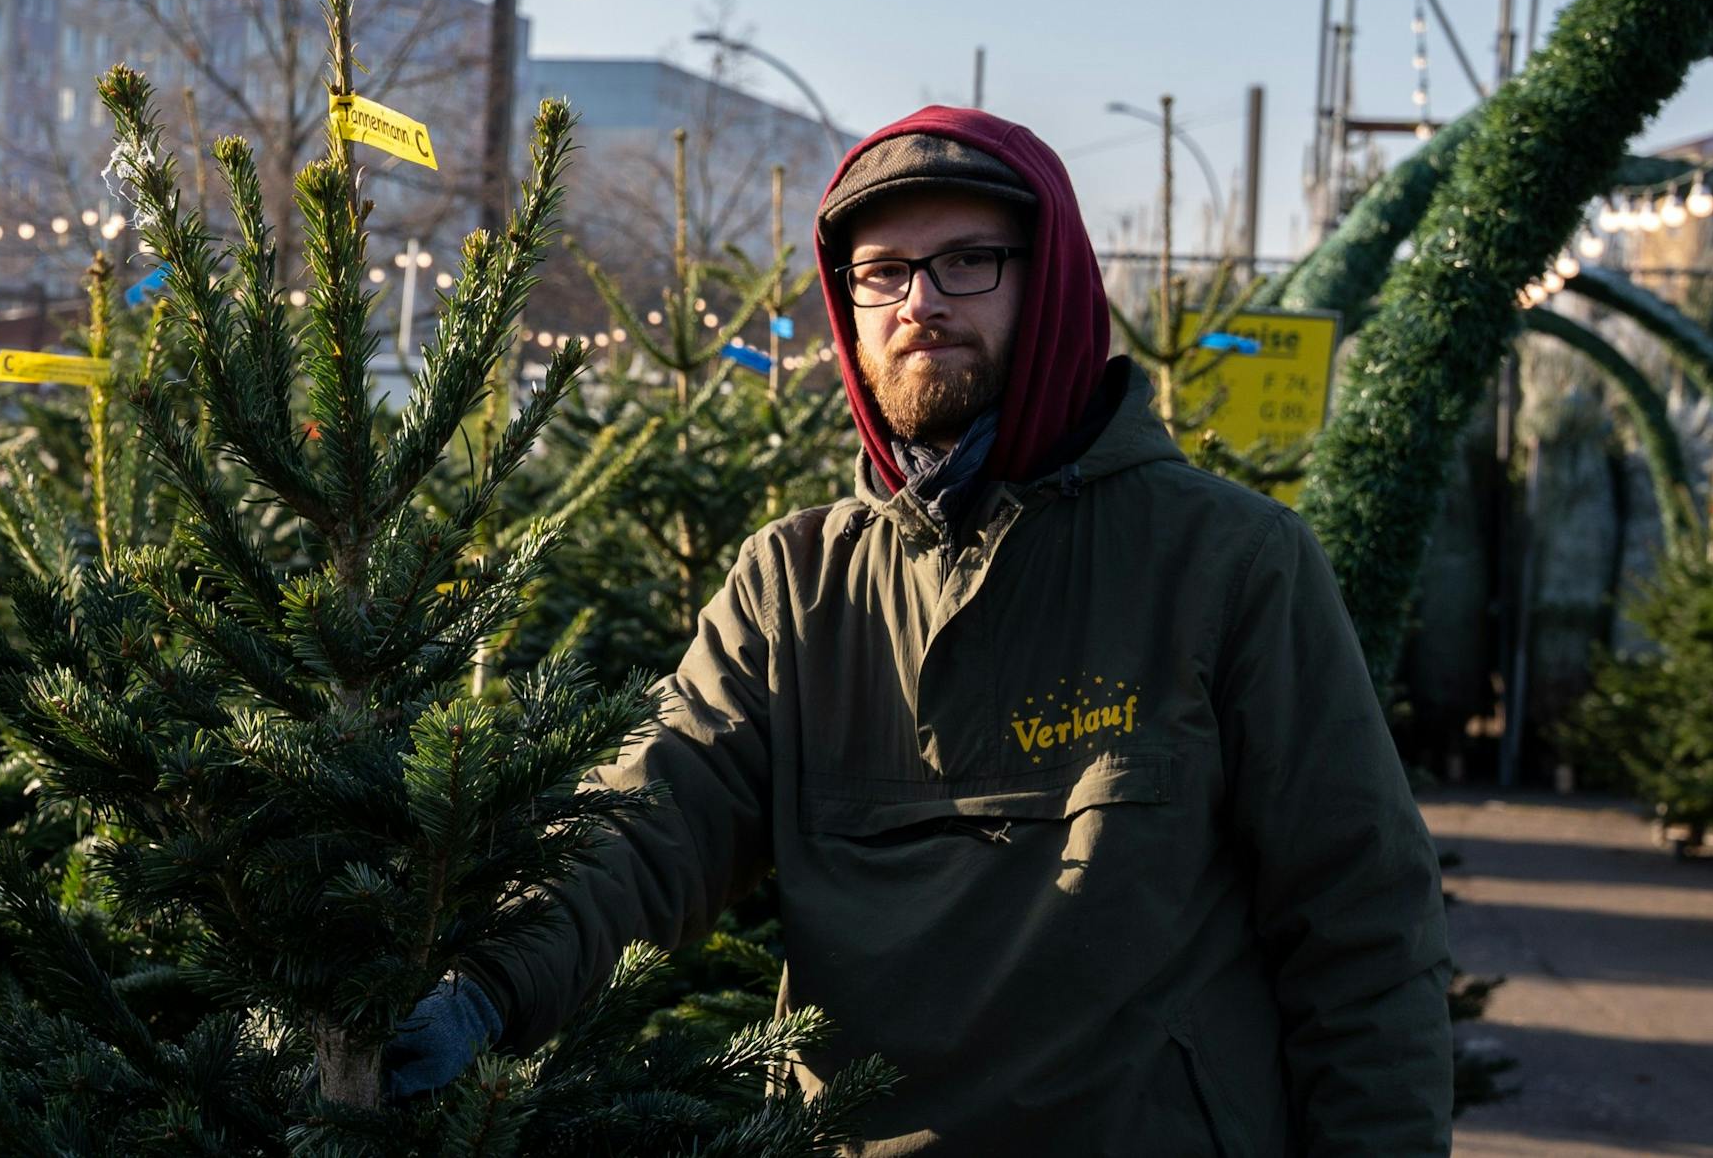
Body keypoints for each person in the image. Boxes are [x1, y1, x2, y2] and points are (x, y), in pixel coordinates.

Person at [390, 106, 1454, 1155]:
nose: (919, 302)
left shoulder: (1228, 563)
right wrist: (482, 981)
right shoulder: (795, 585)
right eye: (882, 272)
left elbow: (1360, 926)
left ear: (1050, 282)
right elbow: (646, 817)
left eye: (967, 263)